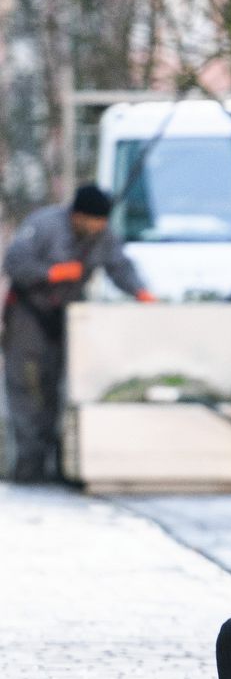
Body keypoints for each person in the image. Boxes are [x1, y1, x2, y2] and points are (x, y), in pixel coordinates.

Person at [1, 183, 155, 483]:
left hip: (69, 318)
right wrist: (50, 273)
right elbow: (14, 262)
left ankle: (63, 464)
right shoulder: (43, 225)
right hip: (29, 318)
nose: (99, 226)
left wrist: (140, 291)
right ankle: (28, 468)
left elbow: (120, 266)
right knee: (28, 389)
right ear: (78, 215)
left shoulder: (103, 237)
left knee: (63, 389)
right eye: (94, 220)